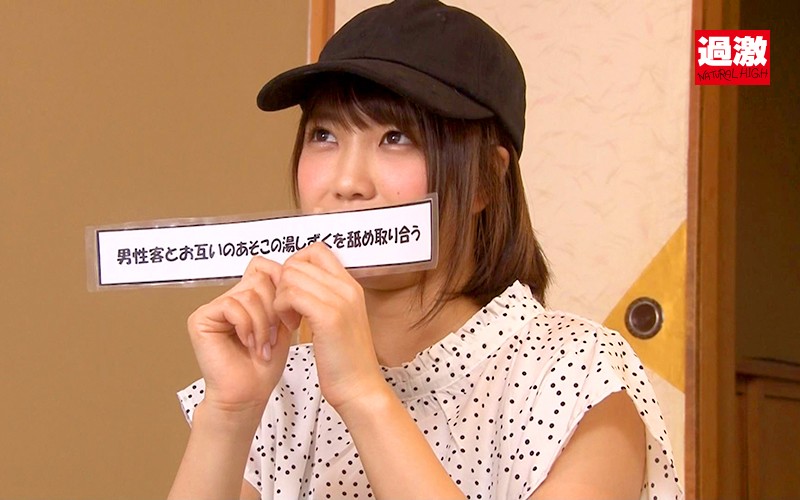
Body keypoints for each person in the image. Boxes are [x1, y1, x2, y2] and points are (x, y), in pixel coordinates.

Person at [168, 1, 682, 499]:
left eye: (396, 138)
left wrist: (363, 393)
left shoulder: (578, 372)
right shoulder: (283, 386)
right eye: (324, 134)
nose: (346, 183)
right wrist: (229, 414)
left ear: (486, 179)